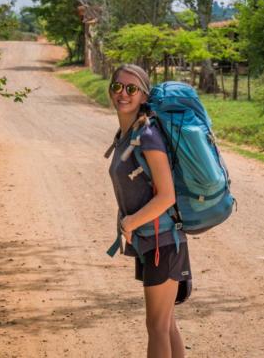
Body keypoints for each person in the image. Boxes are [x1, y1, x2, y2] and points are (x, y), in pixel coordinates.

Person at [107, 64, 192, 358]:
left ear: (144, 96)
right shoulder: (126, 134)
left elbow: (167, 195)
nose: (123, 94)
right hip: (153, 241)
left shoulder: (148, 135)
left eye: (132, 89)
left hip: (164, 242)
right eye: (118, 86)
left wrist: (130, 222)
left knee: (156, 326)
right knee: (165, 324)